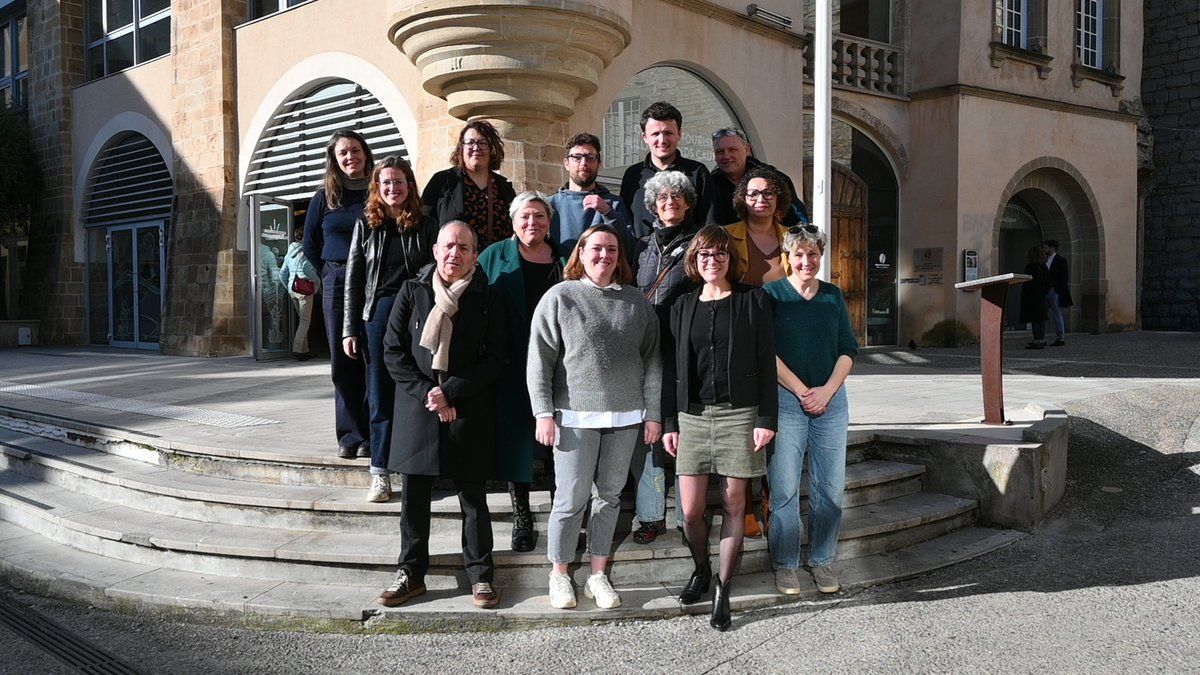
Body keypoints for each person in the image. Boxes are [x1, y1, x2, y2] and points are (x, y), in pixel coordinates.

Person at [527, 224, 662, 610]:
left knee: (609, 497)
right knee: (570, 499)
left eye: (612, 250)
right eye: (597, 248)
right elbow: (539, 360)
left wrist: (653, 414)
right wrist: (543, 412)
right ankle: (560, 573)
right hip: (573, 417)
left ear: (620, 258)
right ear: (582, 254)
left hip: (626, 418)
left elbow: (653, 362)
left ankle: (597, 575)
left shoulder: (636, 303)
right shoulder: (560, 297)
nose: (604, 255)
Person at [378, 221, 508, 610]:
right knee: (414, 498)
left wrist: (450, 391)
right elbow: (393, 351)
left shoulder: (488, 296)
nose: (455, 253)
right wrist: (429, 394)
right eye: (449, 246)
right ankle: (410, 574)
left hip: (468, 406)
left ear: (475, 255)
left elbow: (496, 357)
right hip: (418, 407)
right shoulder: (413, 290)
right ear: (436, 250)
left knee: (473, 498)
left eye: (464, 248)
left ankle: (481, 576)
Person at [661, 225, 777, 631]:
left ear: (731, 258)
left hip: (740, 414)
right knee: (691, 510)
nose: (713, 260)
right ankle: (701, 568)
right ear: (695, 260)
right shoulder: (682, 306)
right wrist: (670, 421)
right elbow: (671, 369)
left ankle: (723, 589)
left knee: (733, 505)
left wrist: (766, 420)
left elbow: (766, 363)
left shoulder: (753, 300)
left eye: (720, 254)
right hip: (692, 416)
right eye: (705, 254)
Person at [764, 224, 859, 597]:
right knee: (785, 487)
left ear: (821, 256)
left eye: (813, 254)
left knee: (830, 487)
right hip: (787, 400)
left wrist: (827, 391)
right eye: (799, 254)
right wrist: (804, 391)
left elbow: (848, 349)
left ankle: (821, 559)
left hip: (831, 401)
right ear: (788, 257)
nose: (807, 261)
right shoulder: (771, 295)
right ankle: (786, 564)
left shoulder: (832, 296)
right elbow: (765, 351)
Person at [343, 156, 436, 502]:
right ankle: (380, 472)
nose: (392, 188)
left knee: (417, 388)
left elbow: (436, 267)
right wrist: (350, 328)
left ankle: (416, 467)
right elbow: (354, 278)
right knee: (380, 393)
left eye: (398, 181)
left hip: (416, 312)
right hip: (378, 314)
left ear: (409, 185)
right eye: (386, 183)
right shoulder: (366, 224)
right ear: (377, 188)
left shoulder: (426, 224)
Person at [478, 191, 567, 553]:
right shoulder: (493, 255)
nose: (533, 223)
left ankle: (564, 516)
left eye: (540, 216)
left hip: (560, 363)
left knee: (560, 439)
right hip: (510, 360)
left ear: (549, 221)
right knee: (517, 442)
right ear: (513, 222)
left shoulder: (565, 257)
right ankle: (523, 517)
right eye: (525, 217)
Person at [628, 171, 700, 545]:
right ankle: (652, 514)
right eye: (662, 198)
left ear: (687, 203)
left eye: (676, 196)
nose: (669, 202)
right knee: (651, 431)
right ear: (653, 206)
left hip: (684, 348)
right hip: (645, 350)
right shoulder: (640, 246)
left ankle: (689, 517)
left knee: (683, 431)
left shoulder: (698, 244)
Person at [724, 164, 796, 539]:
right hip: (738, 337)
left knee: (775, 422)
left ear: (779, 199)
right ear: (743, 198)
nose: (761, 199)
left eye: (768, 192)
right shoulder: (727, 235)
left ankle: (770, 496)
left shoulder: (791, 238)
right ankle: (748, 502)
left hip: (781, 336)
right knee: (744, 425)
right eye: (753, 193)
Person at [302, 129, 374, 460]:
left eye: (355, 150)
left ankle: (372, 432)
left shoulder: (377, 191)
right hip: (337, 279)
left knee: (372, 355)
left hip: (373, 280)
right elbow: (310, 245)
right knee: (343, 361)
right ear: (334, 158)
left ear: (365, 153)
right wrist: (331, 273)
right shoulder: (325, 197)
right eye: (343, 152)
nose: (350, 157)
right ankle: (349, 434)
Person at [619, 102, 712, 239]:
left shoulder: (697, 173)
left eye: (668, 133)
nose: (662, 140)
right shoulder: (633, 176)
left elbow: (709, 226)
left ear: (679, 134)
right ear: (645, 137)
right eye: (655, 134)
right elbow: (626, 224)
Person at [421, 120, 516, 248]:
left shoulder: (504, 188)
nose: (476, 148)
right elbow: (423, 224)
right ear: (461, 148)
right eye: (470, 142)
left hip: (496, 259)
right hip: (455, 259)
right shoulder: (442, 181)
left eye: (483, 143)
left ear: (491, 149)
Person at [707, 127, 808, 227]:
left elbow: (798, 219)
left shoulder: (774, 179)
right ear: (714, 155)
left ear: (747, 149)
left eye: (732, 150)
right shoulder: (709, 185)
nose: (726, 156)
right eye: (720, 151)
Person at [548, 132, 630, 254]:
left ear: (599, 164)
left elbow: (629, 250)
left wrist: (608, 213)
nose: (584, 163)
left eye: (590, 157)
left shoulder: (613, 204)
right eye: (577, 157)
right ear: (566, 163)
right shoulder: (550, 205)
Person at [279, 226, 320, 360]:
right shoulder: (304, 252)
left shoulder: (289, 253)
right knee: (305, 322)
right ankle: (297, 350)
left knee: (302, 321)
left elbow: (282, 273)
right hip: (304, 290)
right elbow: (306, 269)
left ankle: (304, 351)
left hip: (293, 290)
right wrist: (317, 283)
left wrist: (288, 287)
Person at [1020, 245, 1050, 350]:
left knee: (1035, 319)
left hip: (1032, 296)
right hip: (1041, 295)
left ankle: (1037, 340)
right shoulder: (1043, 266)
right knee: (1041, 319)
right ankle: (1041, 339)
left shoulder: (1030, 267)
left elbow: (1027, 283)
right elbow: (1048, 282)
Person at [1044, 239, 1072, 346]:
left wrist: (1055, 287)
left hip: (1054, 290)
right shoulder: (1045, 260)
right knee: (1043, 314)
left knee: (1057, 314)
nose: (1044, 250)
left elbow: (1064, 277)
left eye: (1046, 248)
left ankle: (1061, 337)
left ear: (1052, 248)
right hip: (1046, 290)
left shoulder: (1060, 260)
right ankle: (1041, 337)